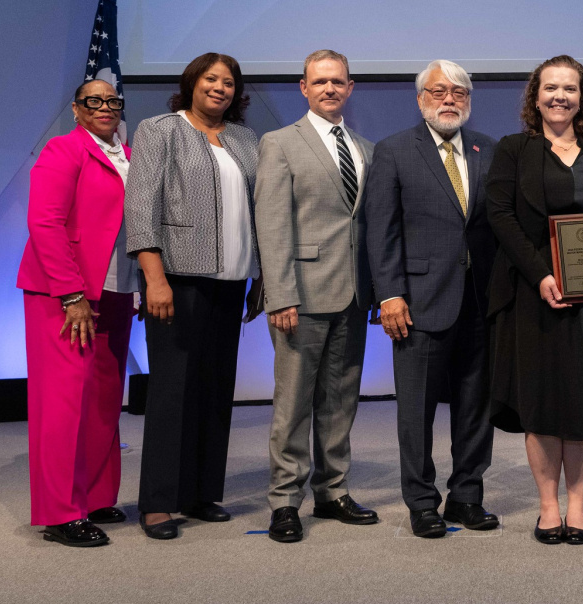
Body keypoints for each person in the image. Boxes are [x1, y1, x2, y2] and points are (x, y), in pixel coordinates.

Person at [485, 55, 583, 545]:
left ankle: (578, 506)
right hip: (538, 297)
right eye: (550, 88)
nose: (559, 97)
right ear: (535, 96)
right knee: (544, 403)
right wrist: (541, 276)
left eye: (569, 89)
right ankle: (547, 507)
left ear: (582, 98)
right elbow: (501, 217)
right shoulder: (514, 149)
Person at [125, 53, 260, 540]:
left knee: (215, 388)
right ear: (192, 82)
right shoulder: (160, 128)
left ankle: (201, 492)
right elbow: (141, 206)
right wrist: (153, 276)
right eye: (211, 79)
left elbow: (258, 211)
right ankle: (158, 502)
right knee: (171, 391)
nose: (220, 88)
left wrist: (260, 277)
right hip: (177, 278)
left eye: (228, 82)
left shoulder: (246, 139)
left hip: (232, 280)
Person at [364, 60, 499, 538]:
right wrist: (390, 295)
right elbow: (380, 232)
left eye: (459, 92)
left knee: (474, 407)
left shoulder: (489, 149)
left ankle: (466, 496)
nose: (449, 99)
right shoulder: (395, 151)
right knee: (416, 411)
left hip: (482, 302)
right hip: (418, 303)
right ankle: (421, 502)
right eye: (438, 91)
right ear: (420, 99)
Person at [255, 50, 378, 544]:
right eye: (319, 82)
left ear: (350, 87)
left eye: (338, 82)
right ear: (303, 88)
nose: (330, 89)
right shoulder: (279, 143)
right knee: (293, 404)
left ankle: (333, 492)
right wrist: (279, 294)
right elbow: (271, 222)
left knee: (340, 402)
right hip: (299, 297)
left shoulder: (366, 147)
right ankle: (285, 502)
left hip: (352, 294)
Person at [16, 79, 137, 547]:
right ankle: (61, 513)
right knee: (62, 403)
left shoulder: (127, 154)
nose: (104, 107)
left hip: (117, 290)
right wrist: (70, 294)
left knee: (105, 397)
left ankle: (96, 495)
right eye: (94, 101)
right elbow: (44, 222)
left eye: (112, 101)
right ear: (76, 109)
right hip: (64, 295)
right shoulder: (62, 151)